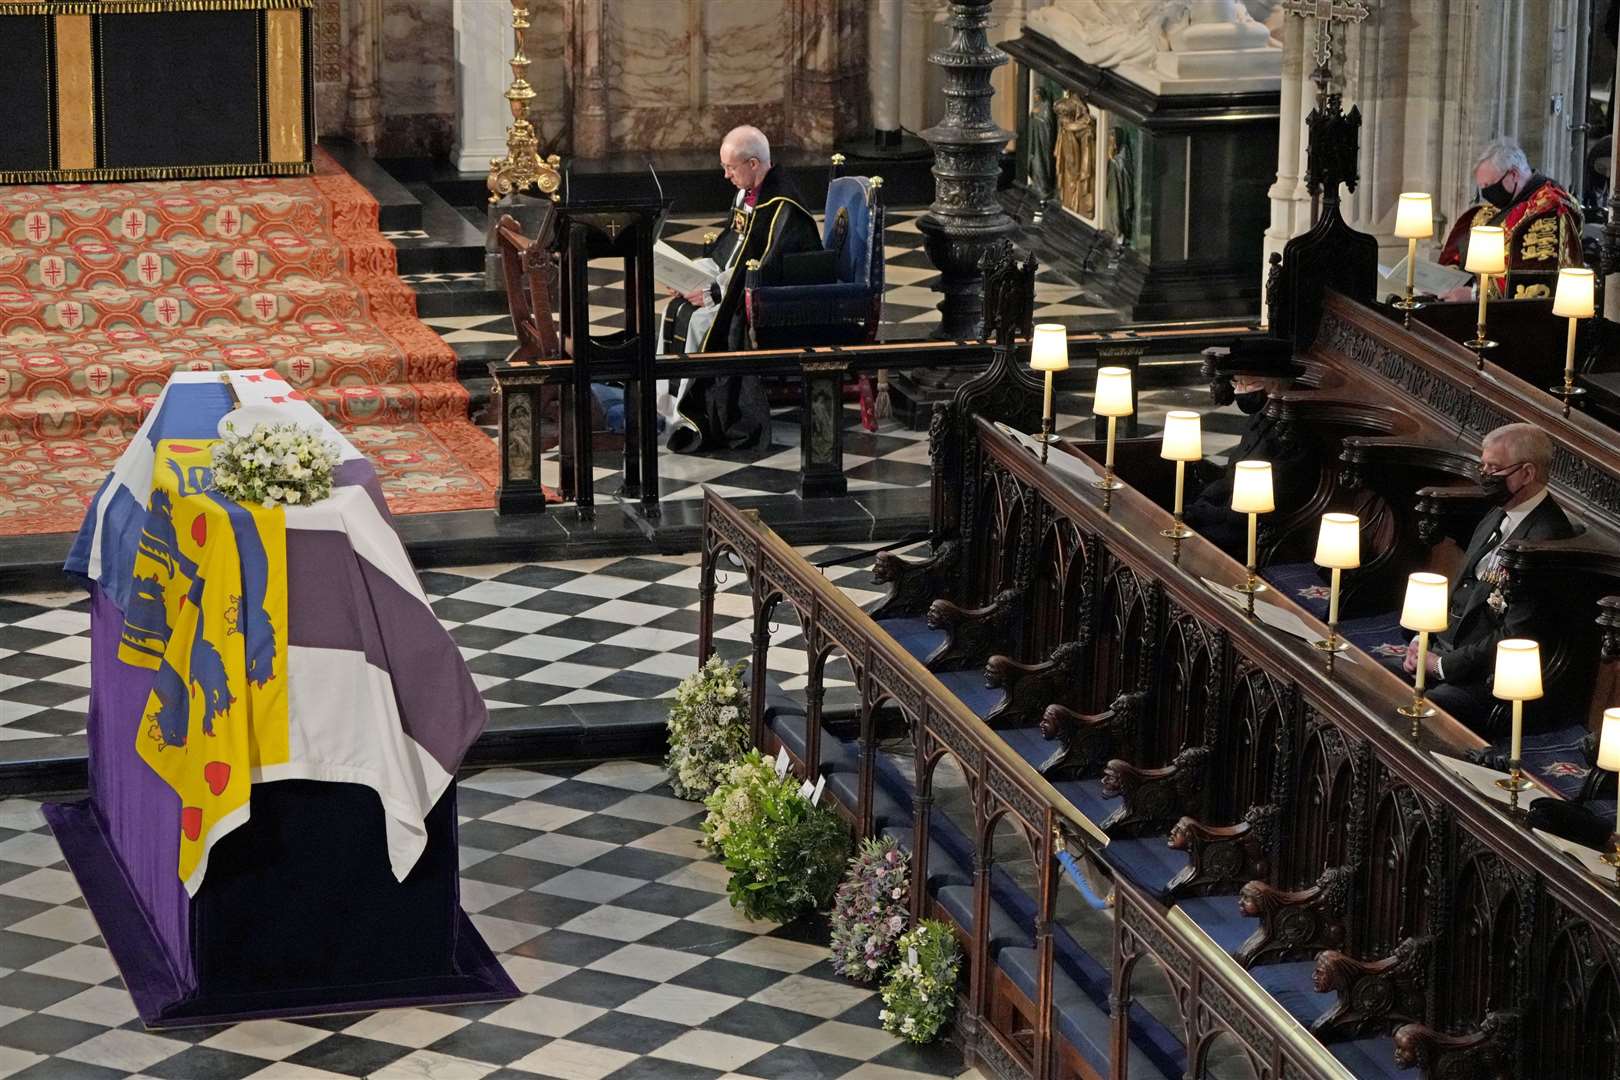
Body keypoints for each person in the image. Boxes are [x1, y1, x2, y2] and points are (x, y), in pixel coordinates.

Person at [1402, 423, 1575, 732]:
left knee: (1422, 714)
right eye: (1482, 465)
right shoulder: (1498, 512)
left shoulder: (1546, 539)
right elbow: (1463, 590)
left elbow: (1514, 635)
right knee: (1372, 678)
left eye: (1493, 468)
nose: (1484, 475)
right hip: (1449, 650)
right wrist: (1422, 642)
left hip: (1489, 678)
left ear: (1527, 473)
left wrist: (1441, 665)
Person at [661, 126, 821, 454]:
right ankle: (668, 408)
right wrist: (688, 278)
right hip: (737, 283)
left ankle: (697, 414)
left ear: (752, 164)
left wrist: (713, 294)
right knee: (674, 309)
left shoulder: (781, 206)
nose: (725, 176)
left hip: (777, 300)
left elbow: (766, 267)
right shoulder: (745, 195)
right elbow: (728, 253)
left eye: (730, 168)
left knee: (699, 321)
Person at [1182, 336, 1314, 559]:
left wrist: (1208, 512)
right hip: (1228, 512)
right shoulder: (1259, 417)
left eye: (1249, 383)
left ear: (1278, 383)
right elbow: (1232, 474)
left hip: (1254, 529)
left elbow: (1264, 503)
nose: (1240, 391)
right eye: (1236, 383)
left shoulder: (1293, 434)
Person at [1438, 137, 1582, 301]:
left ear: (1513, 174)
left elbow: (1531, 282)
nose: (1487, 193)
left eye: (1489, 186)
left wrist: (1474, 295)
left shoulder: (1549, 210)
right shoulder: (1510, 200)